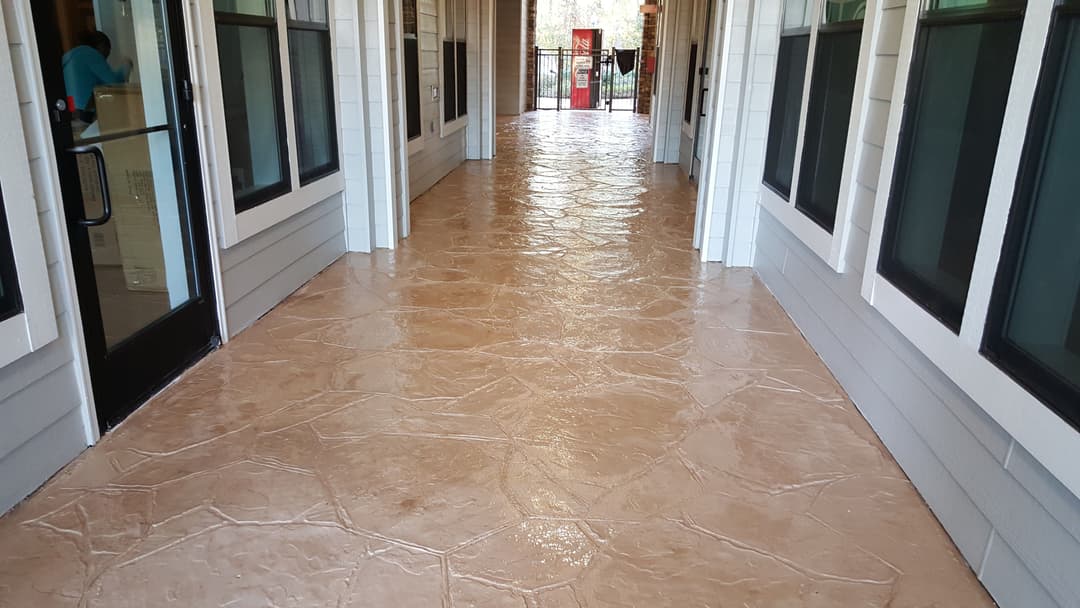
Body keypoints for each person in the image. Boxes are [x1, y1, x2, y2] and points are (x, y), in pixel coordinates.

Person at [62, 31, 131, 123]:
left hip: (69, 109)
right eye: (108, 50)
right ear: (102, 46)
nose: (106, 57)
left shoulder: (71, 55)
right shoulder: (91, 54)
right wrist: (127, 66)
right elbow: (114, 83)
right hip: (83, 112)